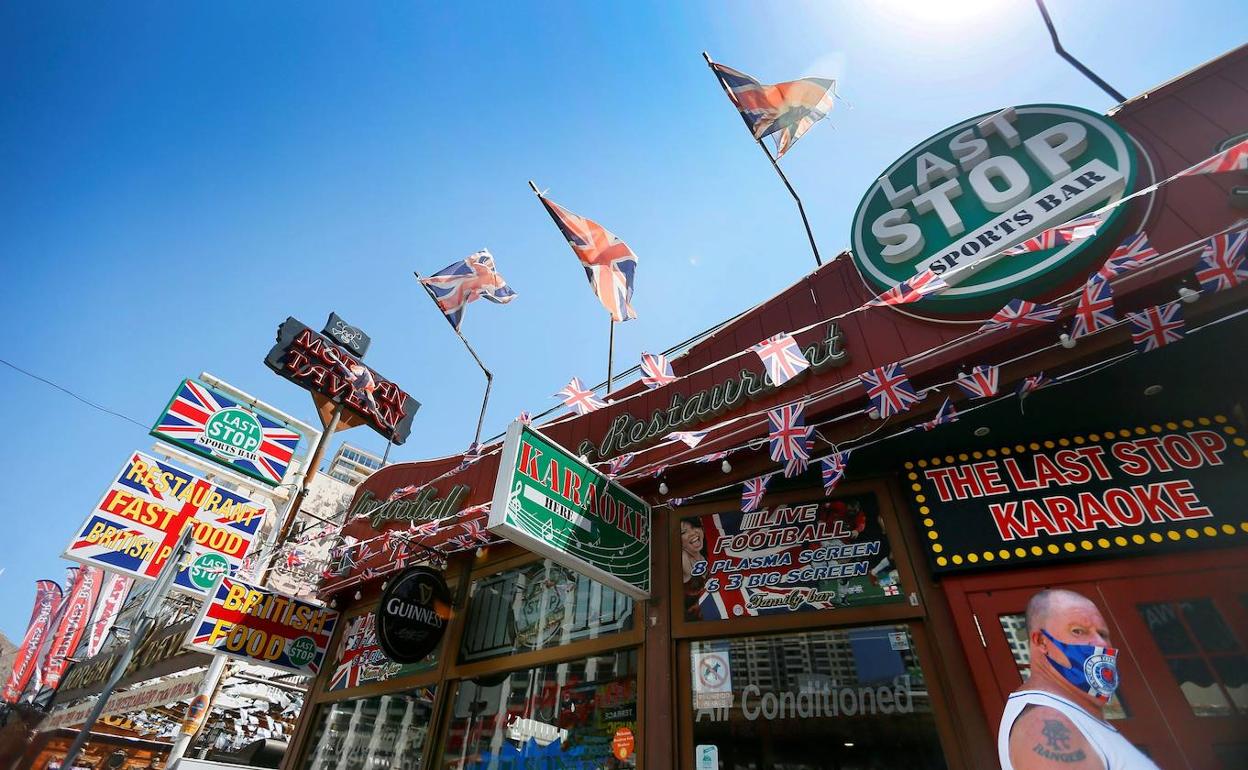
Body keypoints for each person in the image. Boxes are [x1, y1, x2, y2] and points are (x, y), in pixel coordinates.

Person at [999, 588, 1160, 770]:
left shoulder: (1072, 716)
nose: (1100, 643)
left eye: (1103, 634)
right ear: (1041, 642)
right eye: (1079, 631)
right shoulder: (1045, 720)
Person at [679, 519, 707, 620]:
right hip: (694, 626)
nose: (692, 533)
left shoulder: (707, 556)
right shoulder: (683, 558)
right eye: (683, 532)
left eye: (694, 527)